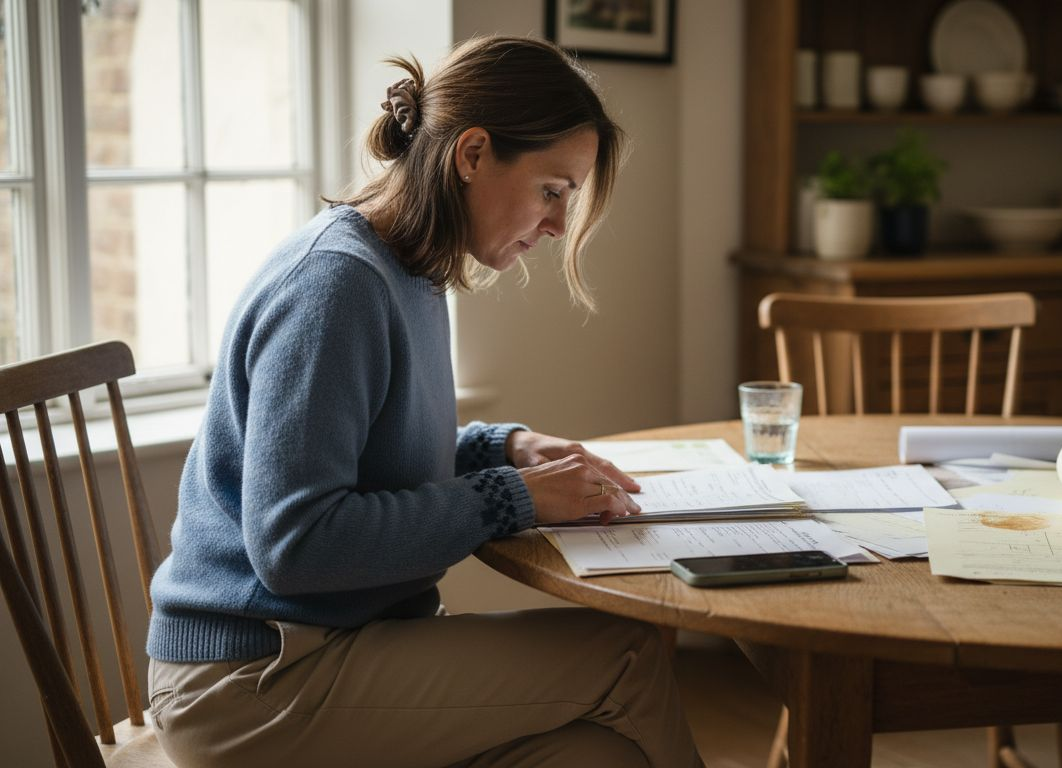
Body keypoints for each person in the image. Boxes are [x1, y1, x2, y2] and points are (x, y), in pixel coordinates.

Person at [145, 36, 703, 768]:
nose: (558, 225)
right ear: (472, 154)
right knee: (628, 657)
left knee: (603, 757)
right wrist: (514, 498)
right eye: (553, 190)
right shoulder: (336, 285)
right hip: (250, 681)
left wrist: (503, 448)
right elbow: (295, 545)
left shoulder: (409, 268)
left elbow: (379, 454)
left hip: (334, 648)